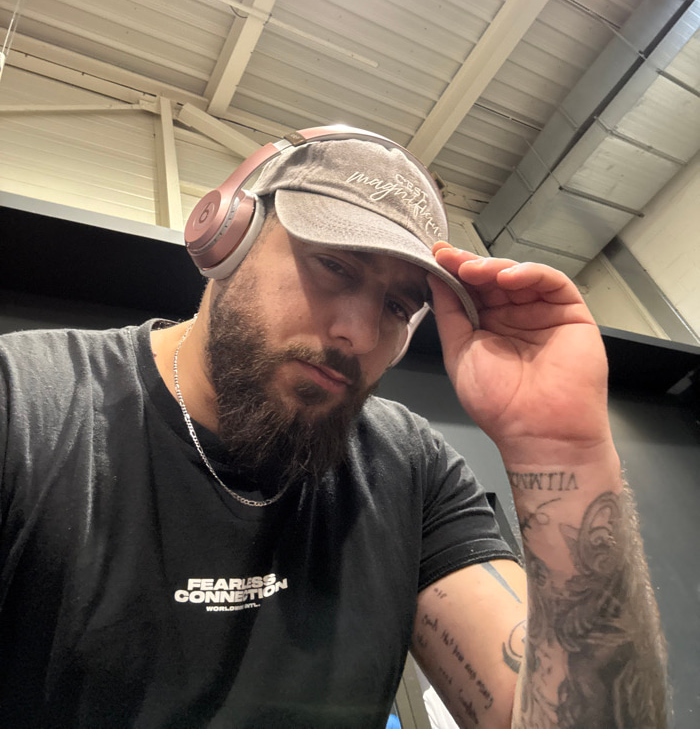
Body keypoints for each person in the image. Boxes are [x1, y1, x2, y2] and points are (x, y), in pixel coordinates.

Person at [0, 128, 669, 728]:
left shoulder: (412, 468)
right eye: (335, 265)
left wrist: (563, 450)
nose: (359, 332)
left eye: (398, 305)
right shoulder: (25, 404)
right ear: (227, 234)